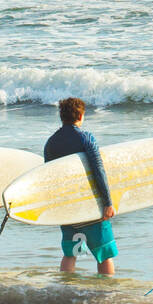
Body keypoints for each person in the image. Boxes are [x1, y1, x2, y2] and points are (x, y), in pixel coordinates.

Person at [44, 97, 117, 276]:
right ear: (80, 115)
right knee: (104, 254)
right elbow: (98, 170)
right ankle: (106, 293)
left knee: (71, 253)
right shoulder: (86, 138)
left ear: (62, 116)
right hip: (89, 204)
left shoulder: (50, 143)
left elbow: (49, 178)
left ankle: (67, 290)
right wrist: (108, 202)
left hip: (67, 208)